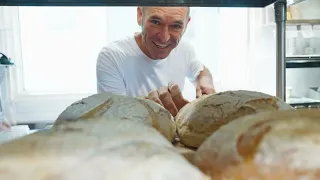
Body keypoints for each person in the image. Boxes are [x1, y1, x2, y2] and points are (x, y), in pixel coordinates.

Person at [96, 6, 216, 116]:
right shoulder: (113, 56)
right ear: (140, 15)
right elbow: (114, 118)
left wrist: (206, 84)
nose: (164, 38)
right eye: (156, 22)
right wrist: (151, 115)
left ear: (186, 25)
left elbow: (201, 71)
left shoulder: (184, 50)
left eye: (176, 26)